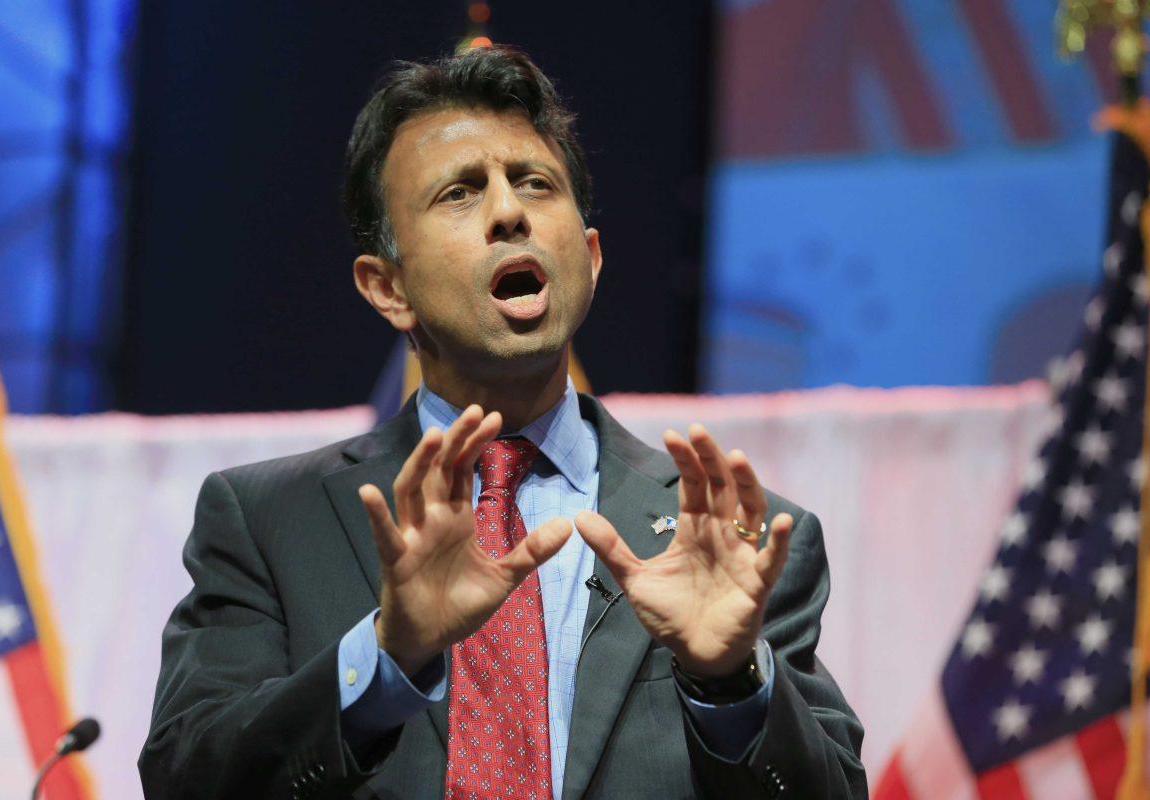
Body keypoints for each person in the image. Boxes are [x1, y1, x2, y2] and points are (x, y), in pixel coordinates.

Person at [139, 46, 865, 799]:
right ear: (387, 288)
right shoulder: (265, 522)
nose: (510, 211)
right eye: (459, 192)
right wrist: (386, 659)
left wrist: (730, 683)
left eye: (535, 183)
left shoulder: (735, 541)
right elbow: (186, 779)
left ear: (589, 257)